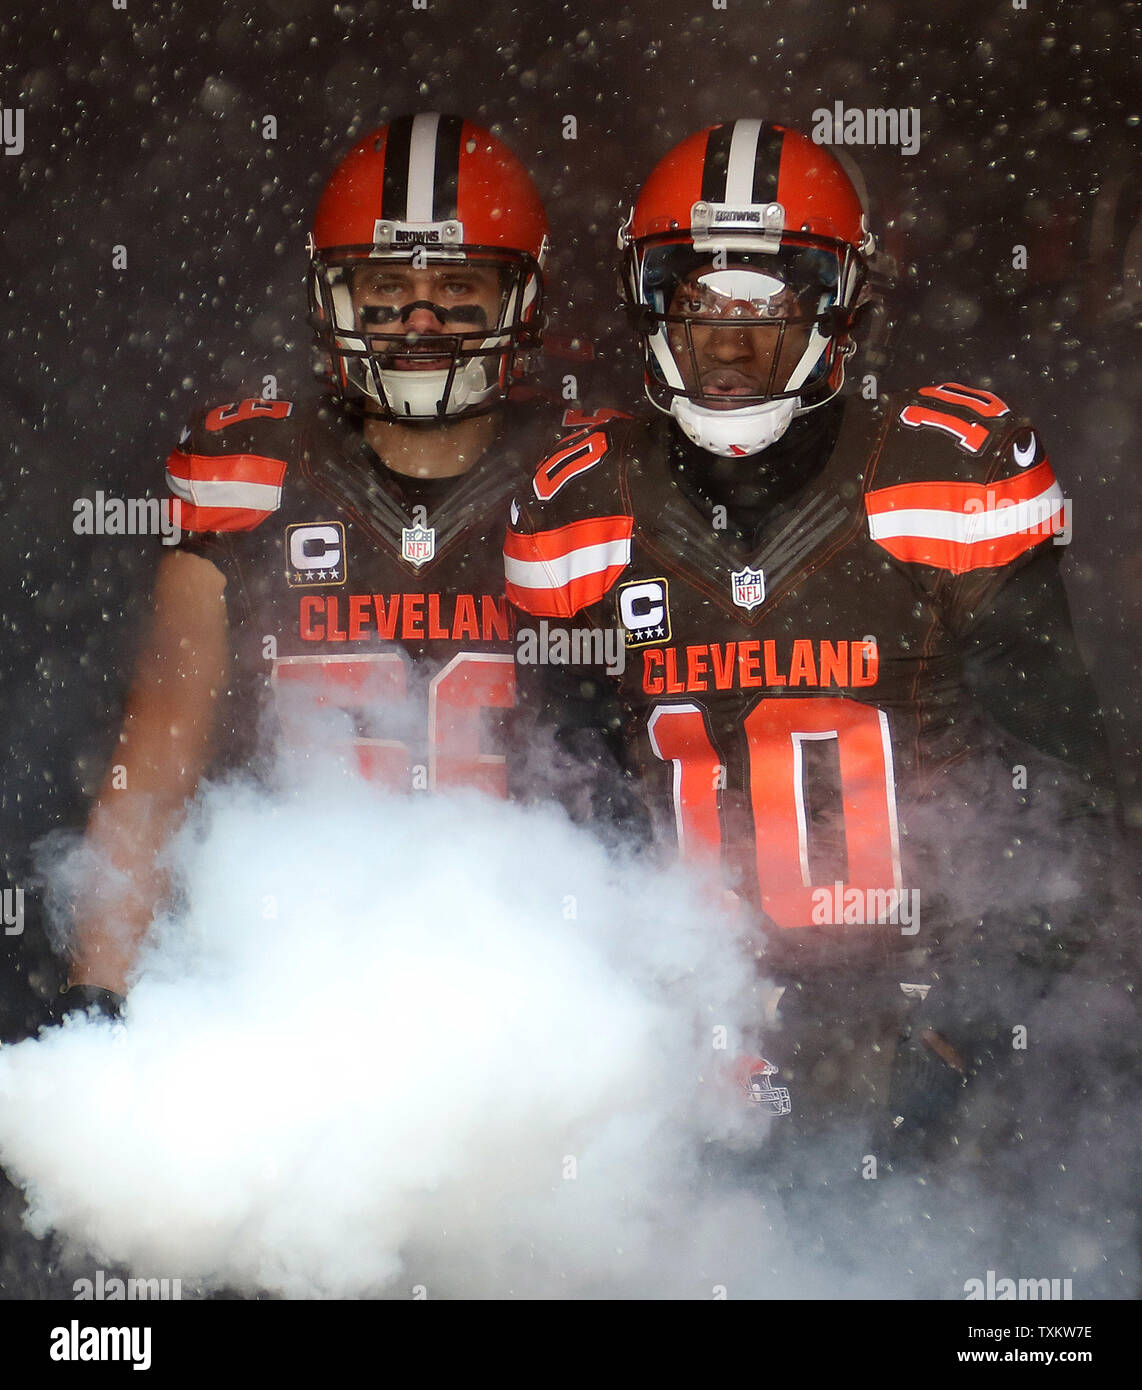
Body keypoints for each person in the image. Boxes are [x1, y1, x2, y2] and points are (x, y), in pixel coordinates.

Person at [505, 120, 1120, 1196]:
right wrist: (626, 1020)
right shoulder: (579, 508)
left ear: (840, 309)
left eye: (770, 302)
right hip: (679, 1037)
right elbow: (565, 814)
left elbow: (1058, 798)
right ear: (650, 304)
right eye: (699, 301)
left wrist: (952, 1039)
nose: (731, 345)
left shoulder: (948, 473)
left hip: (921, 1015)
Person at [63, 112, 562, 1008]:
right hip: (294, 978)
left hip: (540, 974)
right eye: (382, 287)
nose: (417, 320)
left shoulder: (582, 483)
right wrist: (99, 992)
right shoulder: (250, 478)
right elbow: (157, 768)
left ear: (517, 301)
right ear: (330, 296)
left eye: (457, 286)